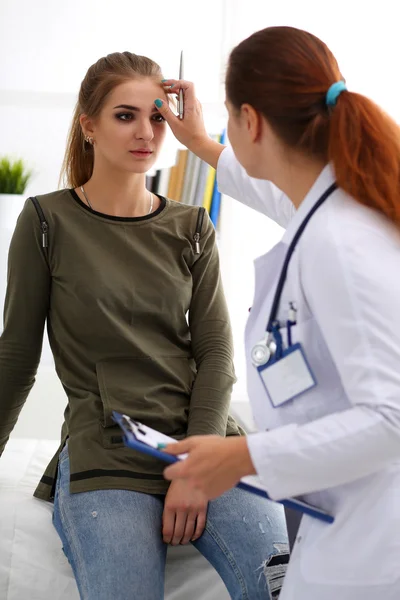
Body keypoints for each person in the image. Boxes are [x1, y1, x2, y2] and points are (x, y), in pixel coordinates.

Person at [0, 51, 289, 600]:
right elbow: (15, 358)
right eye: (124, 115)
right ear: (88, 125)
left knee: (284, 587)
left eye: (158, 116)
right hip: (107, 455)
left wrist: (196, 467)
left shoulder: (191, 225)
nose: (146, 132)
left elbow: (216, 354)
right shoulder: (45, 221)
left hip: (207, 445)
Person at [154, 25, 400, 600]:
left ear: (251, 120)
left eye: (229, 118)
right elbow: (275, 191)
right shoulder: (339, 203)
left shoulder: (339, 239)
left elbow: (393, 417)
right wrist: (199, 143)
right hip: (347, 529)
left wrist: (243, 456)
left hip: (372, 555)